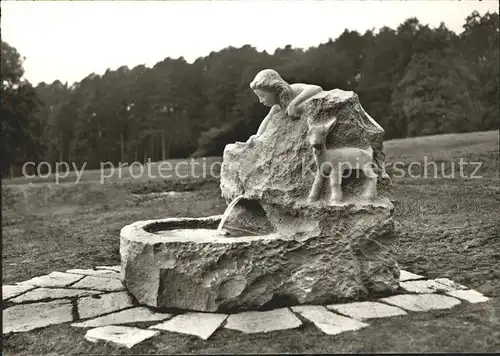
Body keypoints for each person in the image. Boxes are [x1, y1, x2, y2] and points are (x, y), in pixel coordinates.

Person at [246, 69, 323, 146]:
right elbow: (267, 119)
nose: (260, 100)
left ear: (274, 90)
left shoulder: (293, 90)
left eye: (262, 96)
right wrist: (257, 136)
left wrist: (293, 104)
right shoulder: (277, 106)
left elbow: (316, 88)